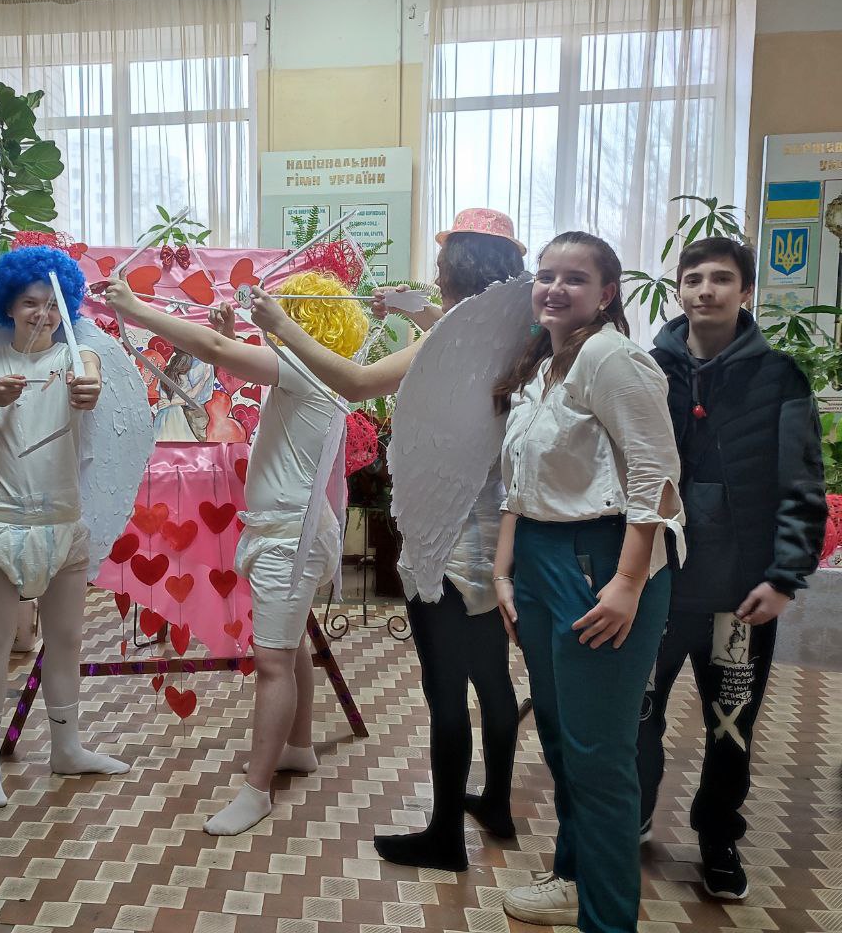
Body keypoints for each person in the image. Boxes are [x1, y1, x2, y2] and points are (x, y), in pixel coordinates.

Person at [248, 208, 526, 871]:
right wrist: (417, 313)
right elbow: (452, 344)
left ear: (456, 269)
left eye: (441, 267)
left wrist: (282, 326)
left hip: (446, 535)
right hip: (494, 531)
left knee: (444, 686)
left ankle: (444, 836)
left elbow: (356, 381)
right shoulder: (515, 331)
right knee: (492, 677)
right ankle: (496, 804)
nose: (435, 274)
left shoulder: (453, 340)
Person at [106, 269, 368, 836]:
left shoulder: (304, 369)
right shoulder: (314, 371)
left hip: (288, 537)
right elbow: (231, 355)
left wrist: (137, 310)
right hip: (292, 531)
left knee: (272, 662)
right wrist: (229, 339)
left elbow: (218, 351)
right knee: (290, 646)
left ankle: (257, 791)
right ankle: (297, 746)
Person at [490, 232, 684, 933]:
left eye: (574, 278)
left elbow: (657, 476)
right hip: (542, 557)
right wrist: (504, 569)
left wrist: (628, 582)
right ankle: (573, 878)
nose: (554, 288)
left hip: (602, 558)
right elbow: (522, 482)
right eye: (545, 275)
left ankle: (608, 921)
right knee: (562, 737)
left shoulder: (612, 357)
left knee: (599, 757)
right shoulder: (543, 363)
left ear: (606, 294)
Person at [636, 236, 826, 899]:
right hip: (655, 590)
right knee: (638, 713)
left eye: (721, 279)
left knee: (730, 725)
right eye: (693, 278)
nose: (706, 290)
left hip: (740, 598)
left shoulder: (780, 376)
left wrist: (783, 577)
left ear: (746, 292)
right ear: (679, 289)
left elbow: (803, 486)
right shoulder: (645, 371)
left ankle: (718, 836)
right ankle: (634, 814)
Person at [0, 245, 129, 809]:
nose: (43, 313)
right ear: (8, 304)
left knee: (67, 642)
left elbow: (90, 382)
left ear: (67, 308)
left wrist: (87, 386)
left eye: (53, 304)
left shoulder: (79, 356)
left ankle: (67, 748)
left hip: (62, 524)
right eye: (30, 301)